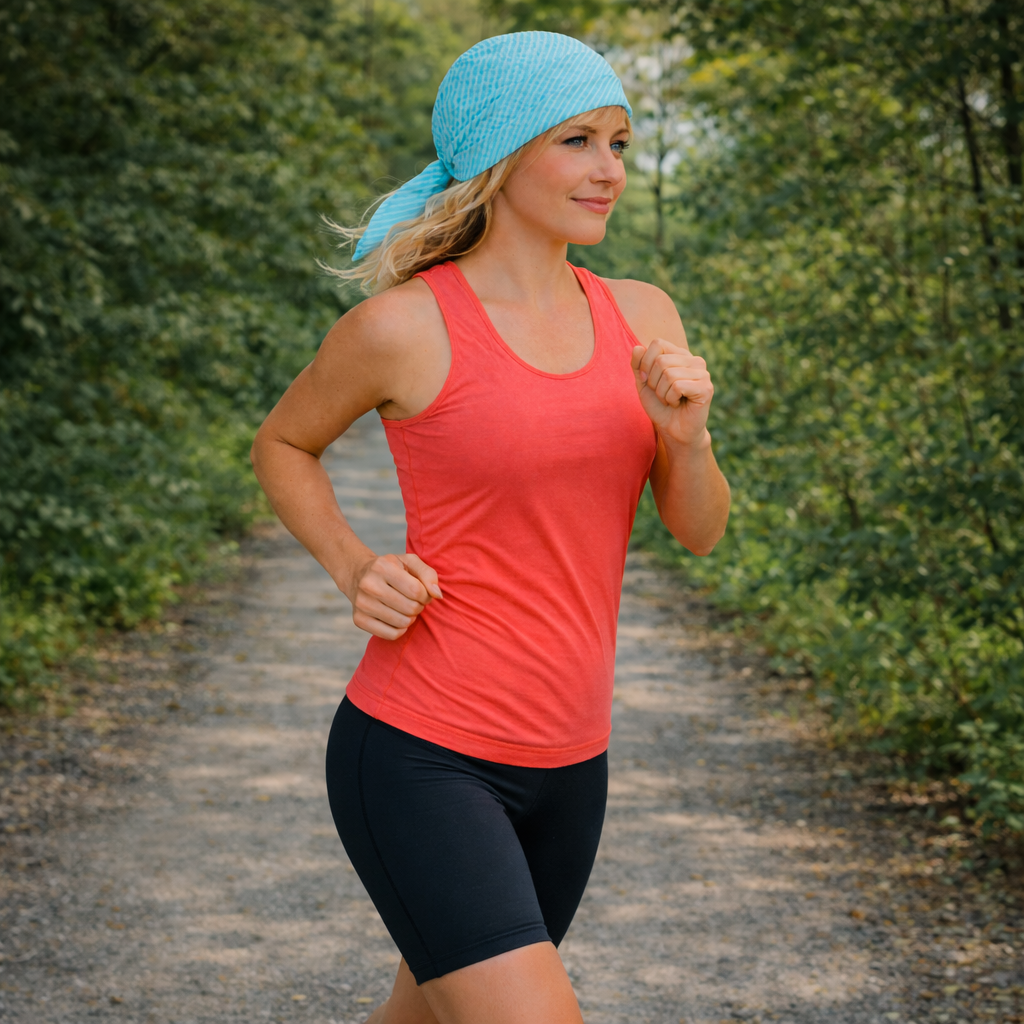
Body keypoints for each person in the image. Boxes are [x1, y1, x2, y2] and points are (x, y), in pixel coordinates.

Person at [250, 30, 730, 1024]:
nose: (609, 172)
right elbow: (283, 446)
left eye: (621, 144)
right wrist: (354, 566)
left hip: (571, 763)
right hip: (421, 752)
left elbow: (699, 532)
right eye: (578, 142)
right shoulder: (403, 326)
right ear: (501, 155)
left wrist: (686, 442)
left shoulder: (644, 316)